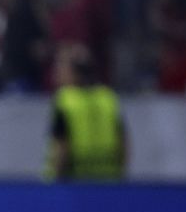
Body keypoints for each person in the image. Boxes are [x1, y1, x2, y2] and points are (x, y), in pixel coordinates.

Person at [46, 44, 126, 180]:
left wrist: (55, 181)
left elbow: (61, 147)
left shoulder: (66, 100)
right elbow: (123, 143)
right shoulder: (107, 97)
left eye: (61, 66)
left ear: (75, 73)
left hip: (75, 182)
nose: (57, 71)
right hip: (108, 181)